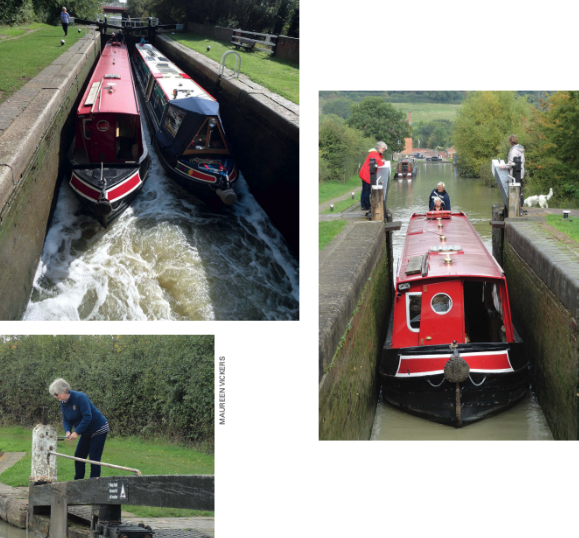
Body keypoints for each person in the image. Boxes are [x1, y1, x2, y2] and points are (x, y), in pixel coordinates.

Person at [49, 378, 110, 480]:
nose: (55, 397)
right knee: (78, 456)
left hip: (98, 428)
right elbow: (66, 419)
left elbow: (87, 417)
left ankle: (94, 484)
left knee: (94, 458)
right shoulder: (63, 402)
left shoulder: (80, 397)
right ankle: (78, 482)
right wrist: (68, 431)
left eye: (56, 394)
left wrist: (76, 432)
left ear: (64, 390)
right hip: (86, 432)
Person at [359, 141, 387, 214]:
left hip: (366, 173)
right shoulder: (374, 153)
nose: (384, 150)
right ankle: (365, 206)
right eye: (383, 148)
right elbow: (380, 163)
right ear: (378, 148)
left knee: (365, 190)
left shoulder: (374, 153)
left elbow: (378, 160)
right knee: (366, 191)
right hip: (366, 175)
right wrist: (382, 161)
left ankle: (364, 205)